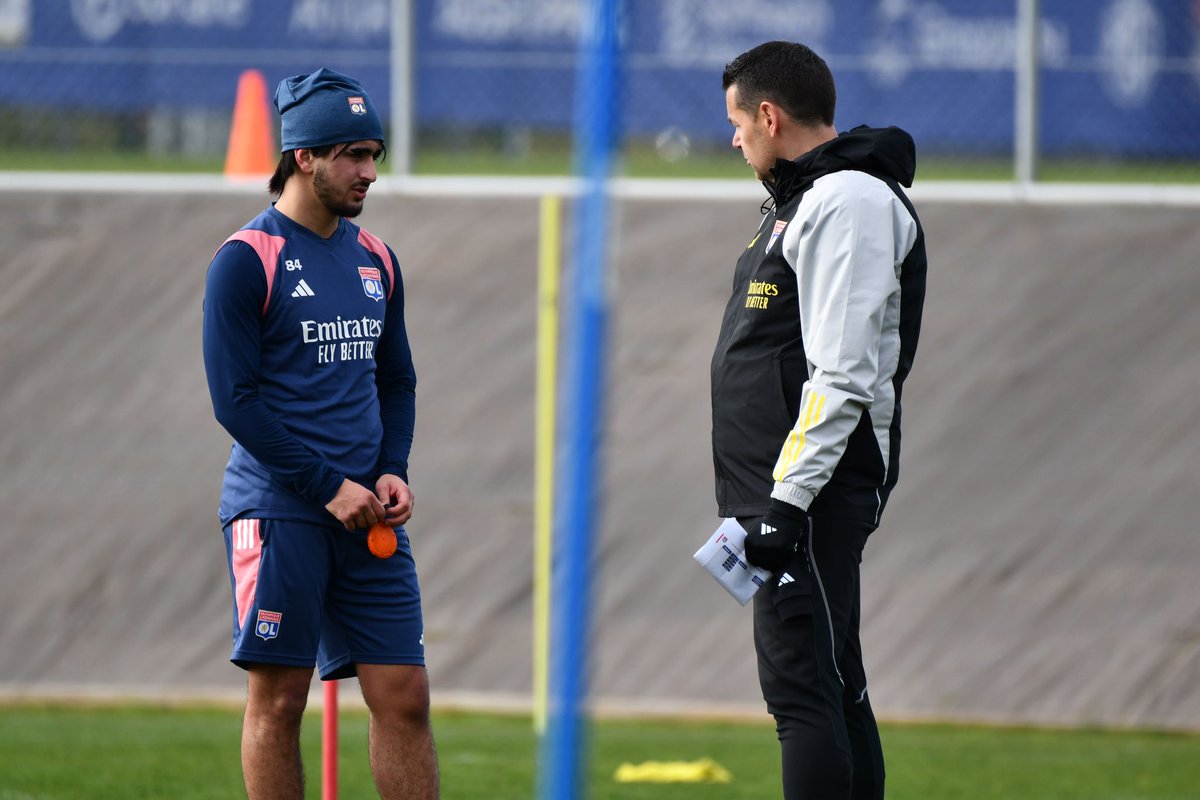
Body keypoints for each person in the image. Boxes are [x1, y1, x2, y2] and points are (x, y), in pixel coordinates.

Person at [202, 68, 438, 799]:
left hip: (367, 512)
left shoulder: (376, 259)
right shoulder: (246, 261)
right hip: (281, 511)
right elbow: (234, 403)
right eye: (351, 154)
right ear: (302, 156)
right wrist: (325, 486)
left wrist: (390, 467)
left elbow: (396, 380)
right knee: (280, 702)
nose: (369, 171)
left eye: (374, 153)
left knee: (403, 694)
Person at [710, 42, 927, 799]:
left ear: (768, 116)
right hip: (789, 495)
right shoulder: (805, 198)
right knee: (831, 683)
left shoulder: (847, 200)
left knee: (805, 691)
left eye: (737, 121)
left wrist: (785, 501)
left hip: (808, 496)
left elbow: (843, 372)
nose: (734, 138)